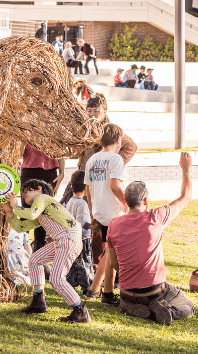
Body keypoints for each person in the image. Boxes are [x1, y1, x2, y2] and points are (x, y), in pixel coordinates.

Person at [106, 152, 195, 326]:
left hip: (127, 292)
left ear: (127, 200)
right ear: (146, 200)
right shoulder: (156, 217)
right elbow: (186, 197)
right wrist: (186, 169)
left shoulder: (113, 225)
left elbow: (114, 264)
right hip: (155, 291)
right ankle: (166, 310)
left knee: (128, 301)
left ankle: (132, 307)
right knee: (188, 307)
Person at [4, 179, 90, 323]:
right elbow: (20, 227)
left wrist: (16, 206)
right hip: (61, 240)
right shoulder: (42, 212)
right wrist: (9, 212)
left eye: (26, 191)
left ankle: (80, 310)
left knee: (56, 279)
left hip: (68, 238)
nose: (23, 195)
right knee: (35, 259)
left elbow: (30, 214)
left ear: (39, 189)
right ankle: (38, 301)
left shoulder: (42, 198)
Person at [83, 123, 127, 305]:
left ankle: (101, 292)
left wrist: (93, 211)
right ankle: (100, 292)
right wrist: (128, 203)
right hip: (114, 212)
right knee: (110, 254)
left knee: (110, 252)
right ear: (118, 141)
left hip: (99, 211)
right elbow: (115, 185)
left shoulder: (92, 159)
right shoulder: (116, 159)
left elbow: (87, 189)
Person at [20, 143, 65, 252]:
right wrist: (22, 142)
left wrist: (62, 173)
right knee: (26, 211)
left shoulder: (54, 127)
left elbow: (61, 151)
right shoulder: (27, 128)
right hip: (29, 170)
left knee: (44, 213)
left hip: (49, 172)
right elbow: (20, 153)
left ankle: (38, 251)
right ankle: (21, 250)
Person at [64, 170, 94, 296]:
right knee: (85, 264)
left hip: (73, 238)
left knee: (74, 265)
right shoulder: (82, 203)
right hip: (83, 239)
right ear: (87, 187)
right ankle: (88, 288)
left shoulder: (70, 201)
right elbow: (82, 222)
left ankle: (70, 285)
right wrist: (94, 227)